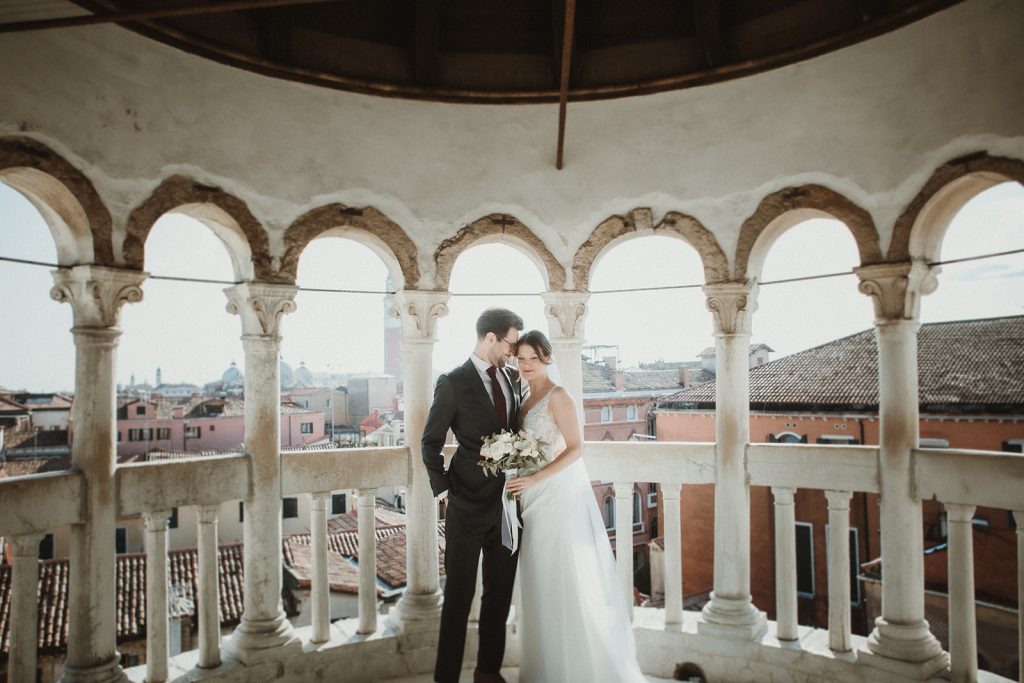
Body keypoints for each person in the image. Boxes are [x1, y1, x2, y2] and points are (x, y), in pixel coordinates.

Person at [506, 330, 647, 683]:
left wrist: (535, 479)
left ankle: (578, 669)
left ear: (547, 359)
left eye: (533, 358)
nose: (526, 364)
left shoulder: (559, 396)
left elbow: (576, 449)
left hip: (555, 497)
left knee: (562, 575)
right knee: (538, 579)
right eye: (521, 358)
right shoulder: (523, 399)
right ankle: (545, 668)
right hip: (530, 501)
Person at [421, 307, 525, 683]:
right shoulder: (453, 382)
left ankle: (488, 672)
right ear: (490, 337)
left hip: (507, 506)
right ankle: (445, 678)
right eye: (510, 344)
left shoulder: (512, 378)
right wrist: (444, 492)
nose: (513, 352)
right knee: (458, 598)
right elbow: (430, 443)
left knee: (499, 596)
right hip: (465, 506)